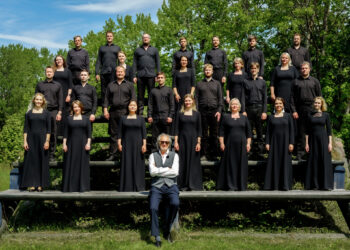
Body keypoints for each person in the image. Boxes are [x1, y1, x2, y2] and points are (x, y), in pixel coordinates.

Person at [149, 133, 180, 247]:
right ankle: (157, 236)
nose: (164, 144)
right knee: (153, 208)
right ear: (158, 143)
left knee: (175, 203)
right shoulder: (152, 156)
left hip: (171, 186)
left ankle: (168, 228)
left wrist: (159, 170)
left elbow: (175, 172)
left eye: (166, 142)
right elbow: (152, 172)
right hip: (156, 186)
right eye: (162, 142)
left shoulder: (174, 156)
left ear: (169, 144)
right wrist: (168, 168)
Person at [217, 98, 252, 191]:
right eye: (232, 104)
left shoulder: (244, 117)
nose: (234, 106)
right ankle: (231, 186)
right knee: (230, 165)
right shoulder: (225, 117)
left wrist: (248, 144)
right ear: (230, 106)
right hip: (229, 145)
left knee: (241, 165)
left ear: (239, 106)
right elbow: (221, 132)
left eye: (236, 104)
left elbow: (249, 133)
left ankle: (241, 186)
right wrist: (222, 143)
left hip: (242, 145)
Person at [103, 66, 136, 161]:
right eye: (118, 72)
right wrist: (105, 110)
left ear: (124, 73)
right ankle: (113, 154)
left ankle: (125, 153)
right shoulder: (110, 85)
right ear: (116, 73)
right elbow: (106, 99)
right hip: (113, 111)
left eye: (121, 72)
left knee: (126, 133)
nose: (120, 73)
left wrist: (132, 112)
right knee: (114, 134)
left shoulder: (130, 85)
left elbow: (133, 98)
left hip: (126, 112)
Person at [291, 61, 322, 160]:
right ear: (300, 70)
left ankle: (313, 153)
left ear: (309, 69)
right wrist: (294, 111)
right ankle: (300, 154)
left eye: (306, 68)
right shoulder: (295, 81)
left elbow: (319, 96)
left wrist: (319, 110)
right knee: (301, 131)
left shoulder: (315, 81)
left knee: (313, 130)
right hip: (300, 108)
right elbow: (291, 98)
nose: (304, 70)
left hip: (313, 108)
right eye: (302, 68)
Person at [21, 93, 51, 192]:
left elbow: (49, 129)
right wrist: (25, 141)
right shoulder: (28, 113)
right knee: (31, 162)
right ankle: (32, 184)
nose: (38, 101)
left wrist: (47, 141)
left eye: (40, 100)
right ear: (34, 100)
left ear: (43, 102)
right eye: (37, 99)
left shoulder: (47, 113)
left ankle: (40, 185)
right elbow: (26, 128)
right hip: (31, 140)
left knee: (41, 161)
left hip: (42, 139)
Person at [264, 98, 294, 190]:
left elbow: (292, 131)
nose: (278, 105)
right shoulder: (271, 117)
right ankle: (274, 185)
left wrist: (291, 143)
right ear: (274, 105)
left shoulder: (288, 116)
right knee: (274, 163)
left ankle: (285, 185)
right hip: (274, 144)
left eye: (280, 103)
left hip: (285, 144)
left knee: (285, 163)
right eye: (276, 103)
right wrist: (267, 143)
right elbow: (268, 131)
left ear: (283, 105)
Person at [174, 94, 202, 191]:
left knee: (193, 162)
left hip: (194, 140)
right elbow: (176, 129)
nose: (187, 102)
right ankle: (182, 185)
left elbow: (199, 130)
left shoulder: (197, 114)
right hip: (182, 140)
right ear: (184, 102)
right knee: (182, 162)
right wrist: (176, 142)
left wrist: (198, 143)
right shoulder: (179, 113)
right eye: (186, 101)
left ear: (193, 101)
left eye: (189, 100)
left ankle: (194, 185)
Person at [195, 64, 223, 160]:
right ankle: (204, 154)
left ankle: (214, 154)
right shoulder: (199, 84)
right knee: (203, 134)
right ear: (204, 71)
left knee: (214, 134)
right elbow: (196, 99)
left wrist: (219, 111)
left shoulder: (217, 84)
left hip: (214, 111)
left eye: (209, 70)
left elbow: (220, 99)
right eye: (206, 70)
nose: (207, 71)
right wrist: (197, 112)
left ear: (212, 72)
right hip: (202, 111)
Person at [117, 100, 147, 191]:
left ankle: (139, 186)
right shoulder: (123, 118)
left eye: (134, 105)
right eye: (131, 105)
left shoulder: (141, 119)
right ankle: (127, 186)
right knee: (127, 164)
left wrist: (144, 145)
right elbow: (119, 133)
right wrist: (119, 144)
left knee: (138, 165)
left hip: (138, 145)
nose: (132, 107)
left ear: (137, 107)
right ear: (128, 107)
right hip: (126, 145)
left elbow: (144, 134)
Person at [62, 100, 91, 192]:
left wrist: (88, 143)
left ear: (81, 108)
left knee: (82, 165)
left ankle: (82, 187)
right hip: (71, 144)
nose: (76, 108)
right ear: (72, 109)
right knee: (71, 164)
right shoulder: (68, 119)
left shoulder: (86, 119)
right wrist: (64, 144)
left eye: (78, 106)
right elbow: (65, 133)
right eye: (74, 107)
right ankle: (70, 187)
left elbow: (89, 134)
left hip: (83, 145)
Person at [35, 66, 63, 161]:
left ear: (53, 73)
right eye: (47, 72)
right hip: (42, 110)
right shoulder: (40, 85)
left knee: (53, 132)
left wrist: (59, 112)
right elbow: (36, 99)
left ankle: (51, 154)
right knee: (41, 131)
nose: (49, 73)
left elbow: (60, 100)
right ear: (45, 73)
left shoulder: (58, 85)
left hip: (54, 111)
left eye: (50, 72)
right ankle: (41, 153)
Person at [305, 97, 333, 190]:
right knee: (314, 161)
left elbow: (329, 131)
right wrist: (306, 144)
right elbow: (307, 131)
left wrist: (330, 143)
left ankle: (325, 185)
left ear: (321, 104)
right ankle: (315, 185)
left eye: (318, 103)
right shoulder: (309, 115)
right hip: (313, 141)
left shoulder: (326, 115)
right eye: (315, 103)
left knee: (324, 161)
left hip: (323, 140)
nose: (316, 104)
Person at [133, 33, 160, 115]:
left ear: (149, 39)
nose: (145, 39)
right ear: (142, 39)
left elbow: (158, 62)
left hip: (151, 76)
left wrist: (157, 75)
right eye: (144, 38)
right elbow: (134, 63)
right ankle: (140, 114)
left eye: (147, 37)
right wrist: (134, 75)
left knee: (151, 95)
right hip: (140, 76)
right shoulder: (137, 50)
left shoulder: (154, 50)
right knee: (140, 96)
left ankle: (150, 113)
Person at [244, 62, 267, 155]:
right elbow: (243, 97)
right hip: (248, 108)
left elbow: (265, 97)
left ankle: (260, 152)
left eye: (255, 68)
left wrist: (264, 111)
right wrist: (243, 110)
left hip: (259, 108)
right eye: (252, 68)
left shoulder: (262, 82)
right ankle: (249, 151)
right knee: (248, 131)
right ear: (250, 70)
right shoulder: (245, 81)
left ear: (258, 70)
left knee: (259, 131)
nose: (254, 70)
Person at [148, 72, 175, 149]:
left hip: (166, 118)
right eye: (158, 78)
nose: (160, 79)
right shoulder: (153, 91)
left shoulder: (169, 90)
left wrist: (170, 116)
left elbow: (172, 104)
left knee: (166, 137)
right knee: (155, 137)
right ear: (156, 79)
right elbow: (150, 104)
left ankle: (167, 153)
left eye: (161, 77)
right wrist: (149, 116)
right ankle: (155, 153)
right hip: (155, 117)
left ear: (164, 79)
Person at [95, 31, 121, 102]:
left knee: (113, 90)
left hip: (114, 72)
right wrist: (97, 73)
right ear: (106, 37)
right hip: (103, 72)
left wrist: (120, 71)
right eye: (108, 36)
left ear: (113, 37)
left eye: (110, 36)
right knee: (104, 92)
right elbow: (98, 61)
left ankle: (113, 110)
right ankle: (104, 109)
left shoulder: (117, 48)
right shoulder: (102, 48)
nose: (109, 37)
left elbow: (120, 61)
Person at [52, 55, 73, 135]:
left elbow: (70, 85)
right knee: (56, 113)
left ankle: (65, 135)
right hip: (55, 95)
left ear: (63, 61)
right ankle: (56, 134)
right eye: (57, 60)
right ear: (55, 61)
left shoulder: (67, 71)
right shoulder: (53, 71)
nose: (58, 61)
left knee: (65, 114)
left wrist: (69, 95)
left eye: (60, 59)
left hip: (65, 95)